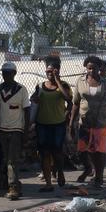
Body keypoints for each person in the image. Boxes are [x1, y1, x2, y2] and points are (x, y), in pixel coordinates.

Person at [70, 56, 106, 188]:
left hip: (100, 121)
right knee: (82, 150)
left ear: (100, 68)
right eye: (89, 68)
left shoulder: (105, 83)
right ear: (86, 68)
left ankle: (99, 177)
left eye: (94, 68)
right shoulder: (80, 81)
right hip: (85, 121)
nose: (92, 71)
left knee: (99, 151)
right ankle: (88, 168)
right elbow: (75, 103)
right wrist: (71, 122)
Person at [32, 56, 71, 192]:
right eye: (48, 71)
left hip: (58, 124)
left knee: (57, 152)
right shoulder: (40, 86)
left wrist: (57, 80)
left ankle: (60, 172)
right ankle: (48, 183)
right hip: (42, 124)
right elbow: (34, 101)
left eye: (52, 71)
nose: (49, 74)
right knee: (44, 153)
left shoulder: (63, 86)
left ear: (57, 71)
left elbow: (68, 98)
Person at [0, 62, 31, 200]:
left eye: (8, 73)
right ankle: (13, 183)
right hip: (3, 128)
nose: (5, 76)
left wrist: (26, 130)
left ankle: (13, 187)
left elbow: (27, 110)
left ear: (14, 74)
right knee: (7, 158)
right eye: (4, 73)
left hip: (17, 128)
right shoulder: (1, 88)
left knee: (12, 159)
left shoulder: (21, 89)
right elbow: (0, 107)